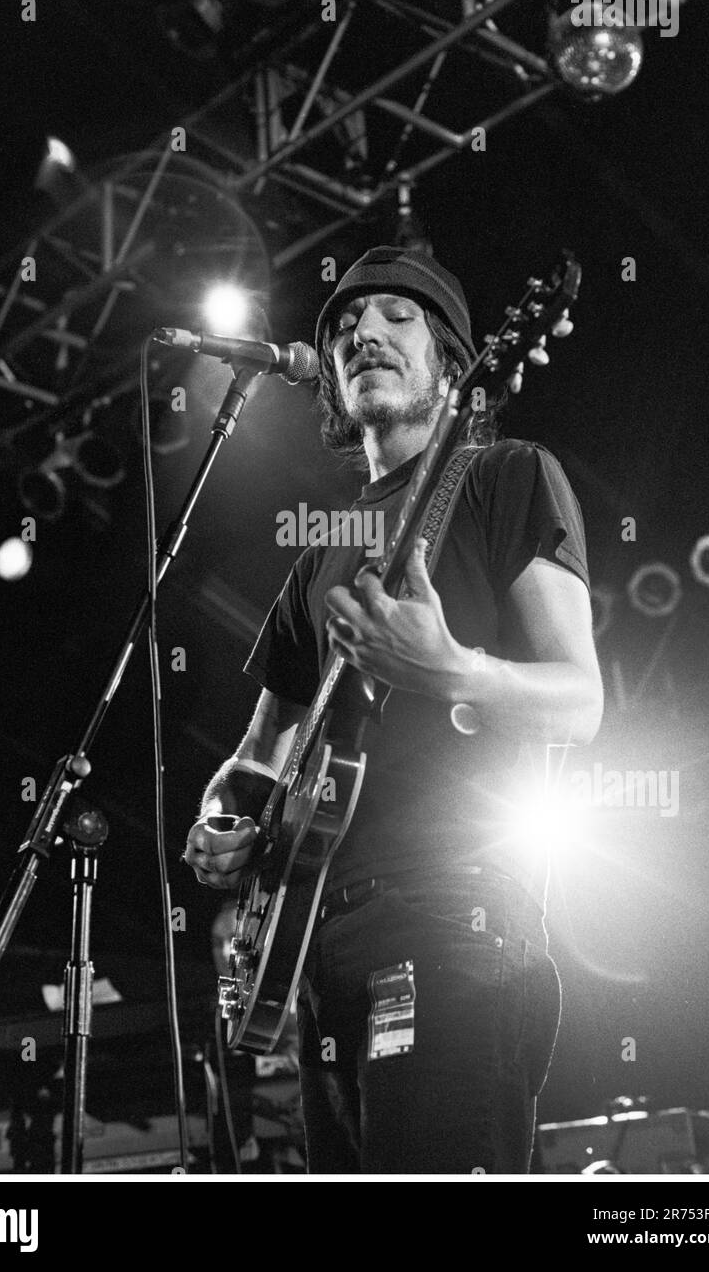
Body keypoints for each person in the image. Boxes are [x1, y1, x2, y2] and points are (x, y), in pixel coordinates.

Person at [184, 245, 603, 1174]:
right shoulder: (319, 557)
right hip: (310, 953)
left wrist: (453, 669)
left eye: (396, 316)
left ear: (457, 362)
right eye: (341, 324)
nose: (360, 333)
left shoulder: (507, 477)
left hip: (456, 921)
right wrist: (224, 815)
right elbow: (255, 758)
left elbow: (581, 702)